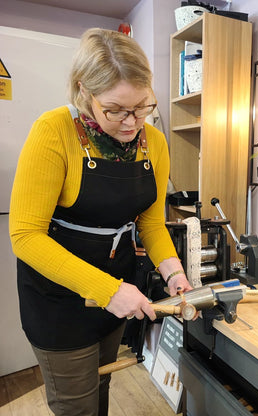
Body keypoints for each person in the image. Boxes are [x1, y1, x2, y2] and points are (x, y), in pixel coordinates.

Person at [9, 27, 192, 416]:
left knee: (102, 383)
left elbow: (152, 224)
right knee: (77, 405)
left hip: (117, 292)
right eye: (114, 109)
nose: (131, 123)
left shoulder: (153, 143)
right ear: (83, 92)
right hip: (58, 301)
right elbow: (25, 236)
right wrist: (108, 291)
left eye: (142, 106)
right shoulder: (54, 131)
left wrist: (174, 272)